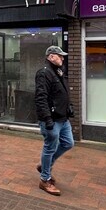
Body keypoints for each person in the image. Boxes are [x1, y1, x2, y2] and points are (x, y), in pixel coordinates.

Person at [34, 45, 74, 196]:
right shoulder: (44, 73)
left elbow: (62, 93)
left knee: (68, 143)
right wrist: (47, 119)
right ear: (51, 57)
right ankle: (45, 179)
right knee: (50, 147)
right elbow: (40, 98)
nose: (62, 58)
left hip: (63, 119)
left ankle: (45, 165)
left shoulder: (59, 72)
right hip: (52, 119)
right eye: (60, 56)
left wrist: (69, 106)